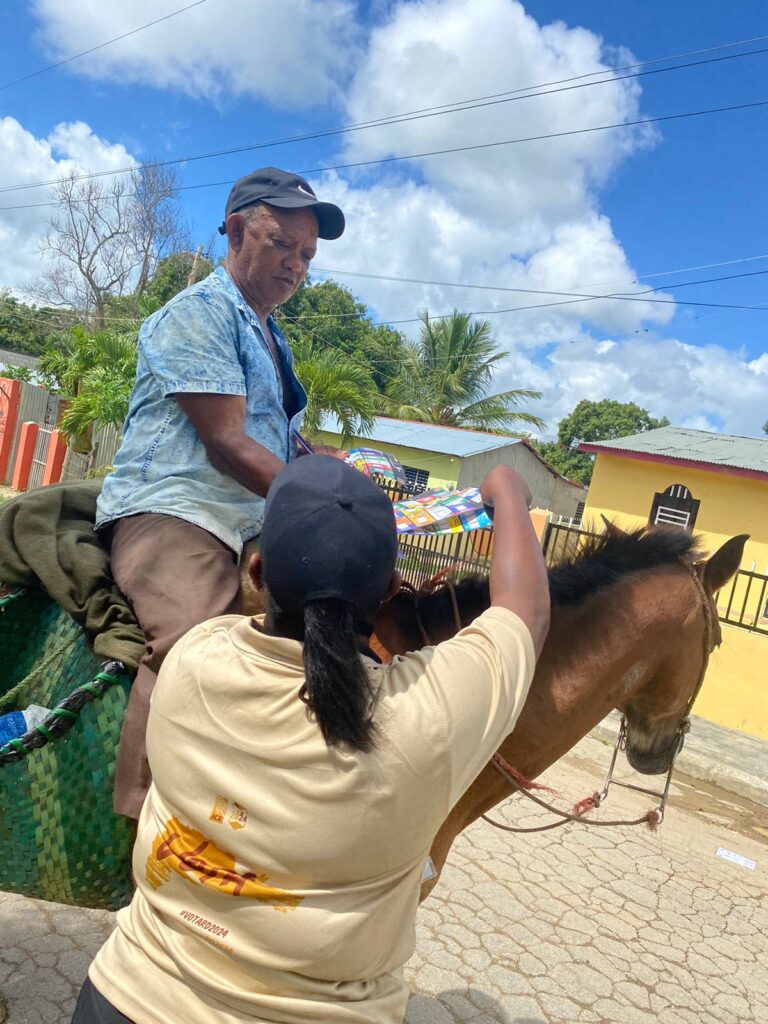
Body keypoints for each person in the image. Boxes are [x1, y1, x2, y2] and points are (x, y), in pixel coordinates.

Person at [72, 455, 550, 1024]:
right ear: (392, 592)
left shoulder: (193, 658)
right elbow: (526, 612)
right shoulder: (428, 718)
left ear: (253, 573)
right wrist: (509, 494)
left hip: (120, 998)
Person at [95, 167, 346, 819]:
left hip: (249, 522)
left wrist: (340, 478)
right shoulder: (198, 313)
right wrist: (323, 501)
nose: (295, 263)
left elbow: (281, 446)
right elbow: (228, 444)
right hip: (177, 510)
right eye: (282, 243)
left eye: (306, 255)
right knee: (196, 639)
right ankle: (148, 818)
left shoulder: (272, 338)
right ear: (236, 230)